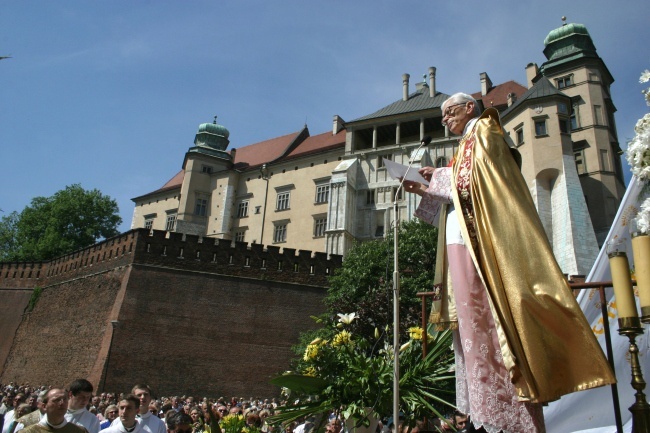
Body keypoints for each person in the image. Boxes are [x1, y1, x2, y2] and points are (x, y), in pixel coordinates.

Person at [402, 93, 616, 432]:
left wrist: (436, 179)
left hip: (480, 247)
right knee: (470, 329)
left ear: (469, 107)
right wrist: (428, 185)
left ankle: (504, 415)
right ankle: (482, 415)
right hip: (463, 242)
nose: (444, 120)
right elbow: (463, 189)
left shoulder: (485, 132)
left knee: (487, 323)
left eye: (449, 112)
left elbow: (478, 182)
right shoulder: (466, 145)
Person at [21, 389, 87, 433]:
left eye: (64, 399)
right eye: (57, 400)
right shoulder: (29, 432)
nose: (62, 403)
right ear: (44, 406)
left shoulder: (79, 431)